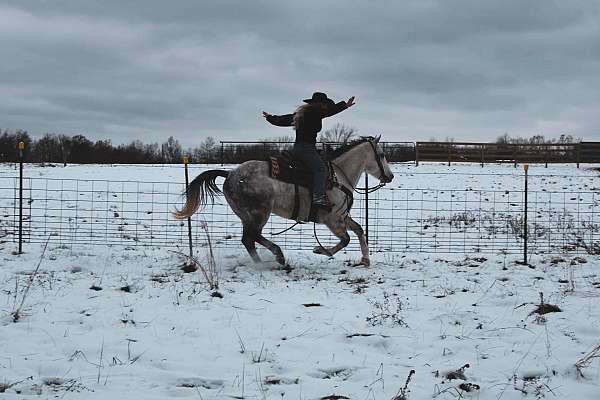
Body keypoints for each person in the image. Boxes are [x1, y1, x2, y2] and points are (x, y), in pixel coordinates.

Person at [262, 92, 355, 210]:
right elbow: (329, 112)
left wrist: (270, 118)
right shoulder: (315, 112)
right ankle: (318, 197)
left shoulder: (301, 114)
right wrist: (344, 106)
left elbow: (283, 120)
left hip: (298, 148)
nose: (326, 107)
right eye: (325, 104)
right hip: (307, 149)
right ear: (320, 104)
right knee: (321, 169)